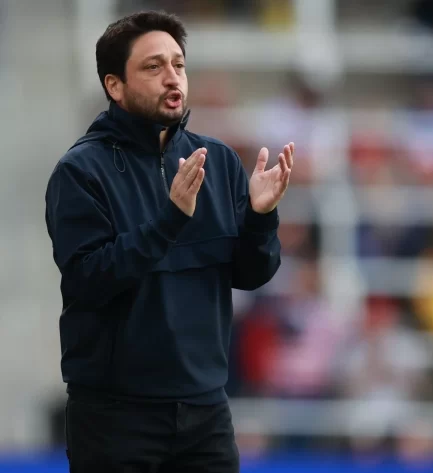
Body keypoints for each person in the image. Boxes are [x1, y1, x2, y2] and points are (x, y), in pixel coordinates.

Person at [44, 11, 294, 473]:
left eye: (178, 64)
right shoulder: (80, 173)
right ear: (114, 86)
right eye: (153, 67)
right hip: (115, 416)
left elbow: (251, 274)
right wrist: (169, 220)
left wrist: (261, 217)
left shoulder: (215, 160)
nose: (172, 77)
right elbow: (88, 279)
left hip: (206, 413)